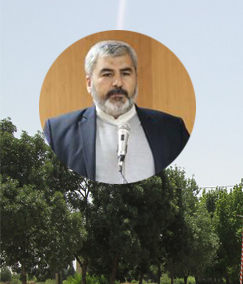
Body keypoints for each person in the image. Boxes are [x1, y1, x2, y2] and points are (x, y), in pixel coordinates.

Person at [43, 40, 190, 184]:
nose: (118, 83)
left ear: (136, 78)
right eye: (107, 74)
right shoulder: (58, 133)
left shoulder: (173, 129)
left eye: (125, 73)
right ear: (89, 83)